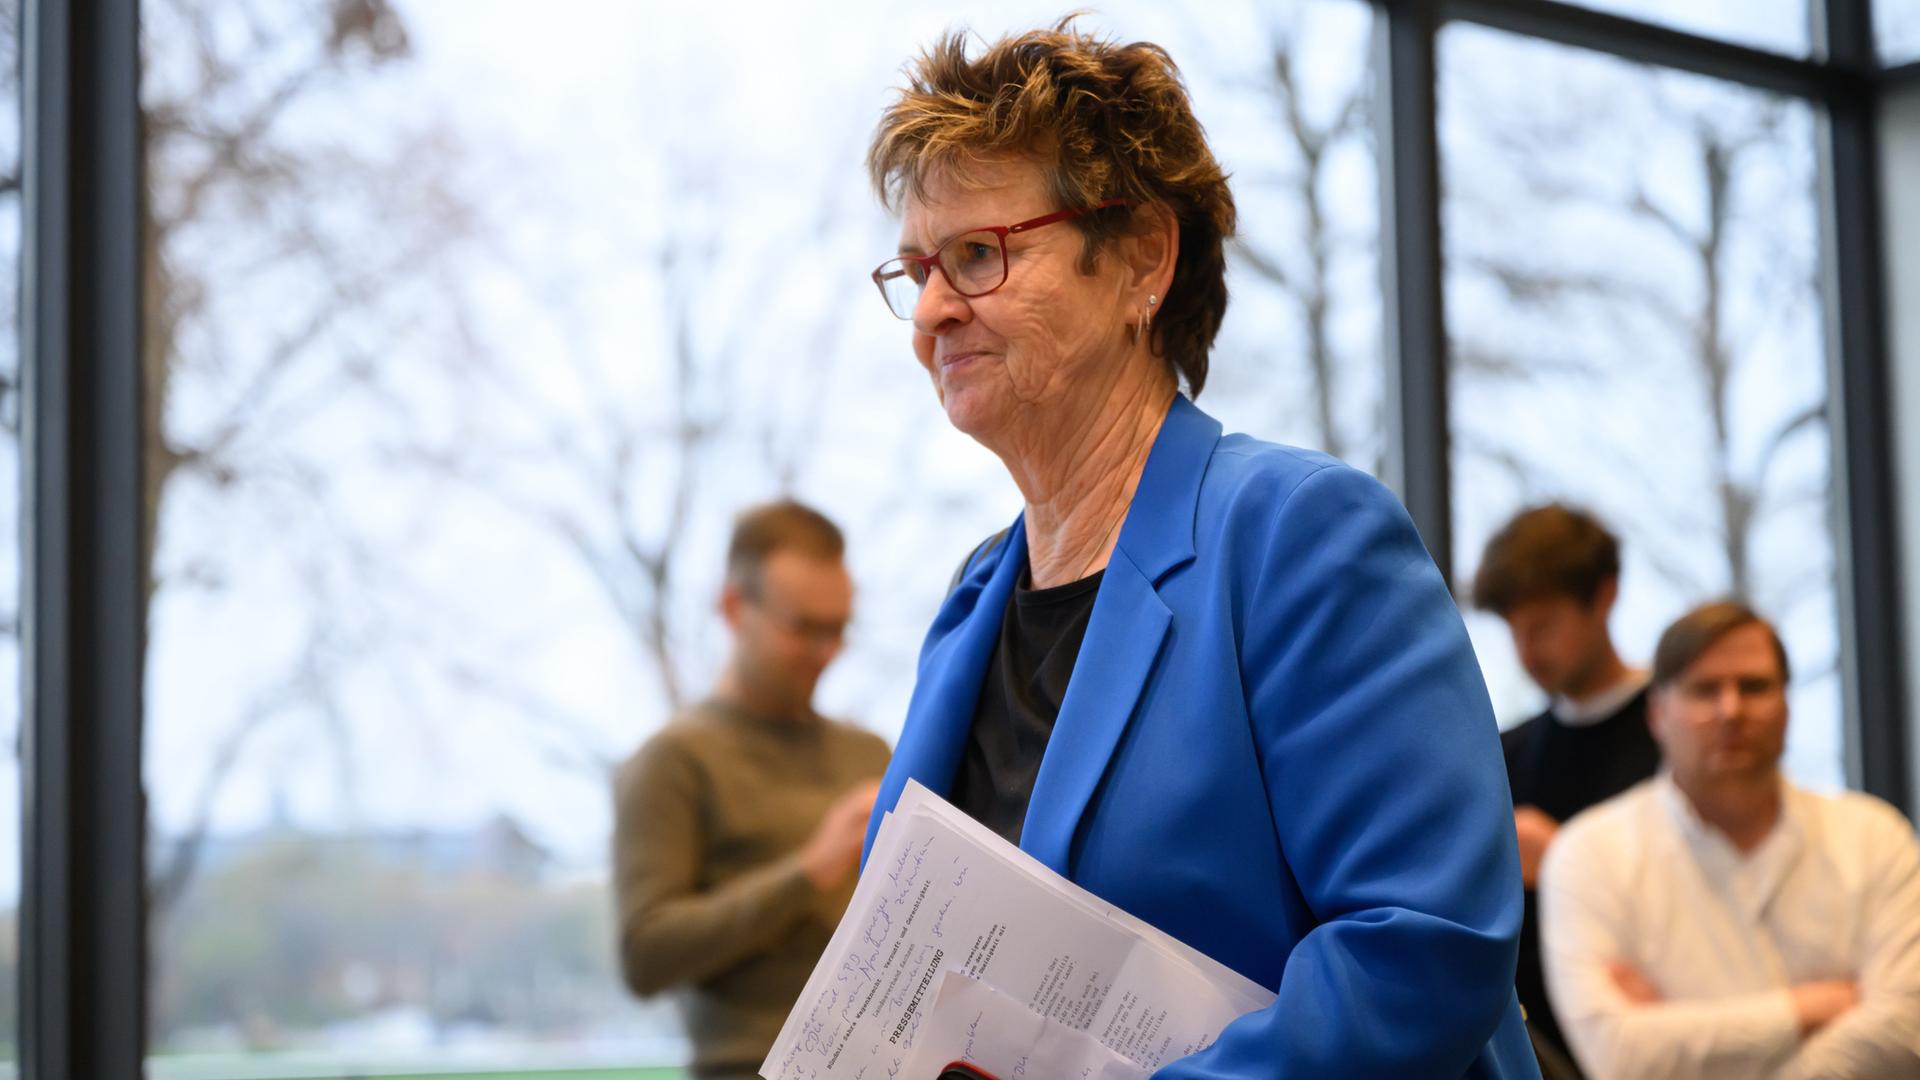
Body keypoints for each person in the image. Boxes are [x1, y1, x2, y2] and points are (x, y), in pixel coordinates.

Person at [861, 21, 1537, 1077]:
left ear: (1143, 260)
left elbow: (1423, 949)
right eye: (916, 269)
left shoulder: (1300, 535)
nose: (933, 312)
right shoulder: (970, 601)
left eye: (979, 256)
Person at [1538, 601, 1920, 1080]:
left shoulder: (1875, 837)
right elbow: (1618, 1055)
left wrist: (1676, 1034)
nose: (1731, 710)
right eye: (1704, 690)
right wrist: (1810, 1009)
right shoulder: (1590, 854)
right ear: (1657, 712)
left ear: (1787, 703)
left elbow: (1903, 1033)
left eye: (1755, 686)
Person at [612, 500, 890, 1080]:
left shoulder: (870, 754)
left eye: (838, 630)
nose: (826, 652)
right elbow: (644, 955)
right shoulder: (674, 761)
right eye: (804, 629)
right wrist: (807, 873)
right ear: (734, 608)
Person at [1471, 504, 1661, 1066]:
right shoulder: (1505, 753)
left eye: (1544, 626)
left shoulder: (1678, 742)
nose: (1527, 652)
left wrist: (1563, 860)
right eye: (1514, 631)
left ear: (1604, 598)